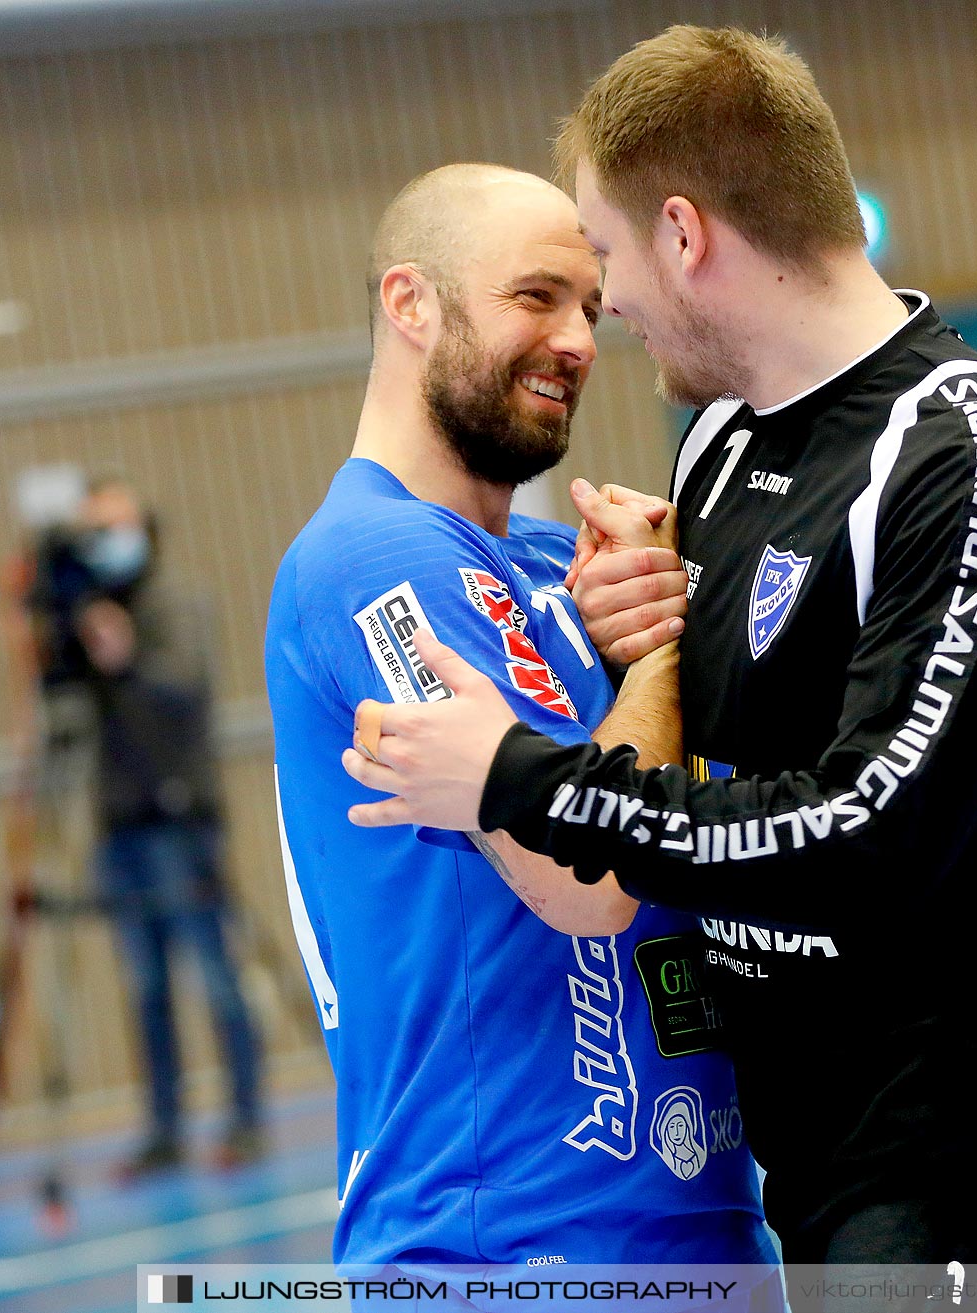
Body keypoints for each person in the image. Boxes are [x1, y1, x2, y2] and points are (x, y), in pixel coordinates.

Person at [339, 27, 977, 1281]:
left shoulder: (971, 449)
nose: (605, 306)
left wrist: (516, 777)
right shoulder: (720, 448)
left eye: (607, 255)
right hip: (828, 1159)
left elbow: (866, 831)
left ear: (685, 235)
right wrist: (642, 638)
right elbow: (729, 747)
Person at [262, 163, 770, 1270]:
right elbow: (584, 875)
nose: (580, 338)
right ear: (412, 303)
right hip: (507, 1245)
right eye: (535, 297)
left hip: (693, 1222)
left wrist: (634, 621)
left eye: (590, 305)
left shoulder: (558, 570)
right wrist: (659, 652)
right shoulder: (374, 559)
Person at [67, 479, 264, 1176]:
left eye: (115, 527)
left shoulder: (171, 604)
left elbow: (182, 693)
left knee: (216, 975)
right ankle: (163, 1127)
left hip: (181, 818)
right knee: (146, 987)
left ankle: (245, 1118)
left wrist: (125, 659)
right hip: (119, 822)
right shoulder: (86, 616)